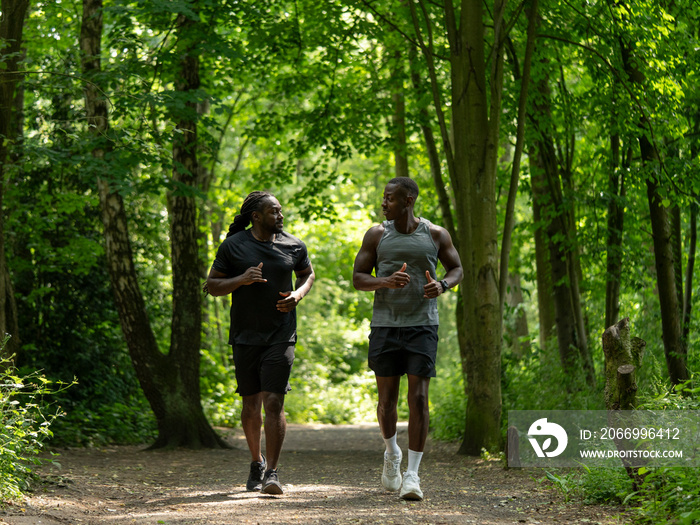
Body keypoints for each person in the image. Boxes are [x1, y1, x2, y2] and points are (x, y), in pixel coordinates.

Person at [352, 177, 463, 501]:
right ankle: (392, 453)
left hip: (422, 325)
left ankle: (412, 475)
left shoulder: (435, 234)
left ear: (408, 200)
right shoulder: (377, 234)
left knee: (418, 399)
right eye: (384, 198)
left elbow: (457, 269)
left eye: (389, 198)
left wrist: (442, 285)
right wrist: (384, 281)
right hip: (386, 325)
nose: (384, 203)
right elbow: (358, 278)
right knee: (386, 402)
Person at [206, 191, 315, 495]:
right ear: (256, 216)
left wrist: (298, 295)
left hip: (281, 333)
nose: (280, 217)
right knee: (251, 403)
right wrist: (241, 279)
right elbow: (212, 285)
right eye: (274, 212)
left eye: (281, 211)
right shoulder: (234, 245)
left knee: (274, 401)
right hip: (245, 335)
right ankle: (256, 462)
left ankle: (273, 473)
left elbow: (308, 275)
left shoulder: (293, 245)